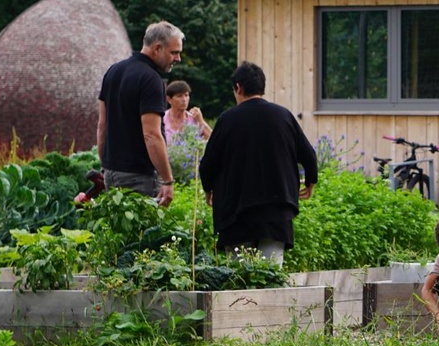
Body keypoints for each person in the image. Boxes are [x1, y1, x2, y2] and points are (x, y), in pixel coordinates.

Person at [198, 61, 318, 265]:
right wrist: (310, 182)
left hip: (236, 212)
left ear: (238, 88)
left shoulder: (227, 119)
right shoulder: (283, 116)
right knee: (271, 274)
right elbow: (308, 155)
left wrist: (208, 189)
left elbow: (208, 163)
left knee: (240, 277)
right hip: (276, 209)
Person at [97, 21, 182, 206]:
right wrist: (167, 180)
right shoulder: (150, 79)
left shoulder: (113, 71)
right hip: (137, 178)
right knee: (142, 234)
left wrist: (105, 165)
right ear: (157, 48)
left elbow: (102, 125)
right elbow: (151, 135)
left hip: (112, 173)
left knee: (116, 234)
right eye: (174, 52)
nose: (178, 58)